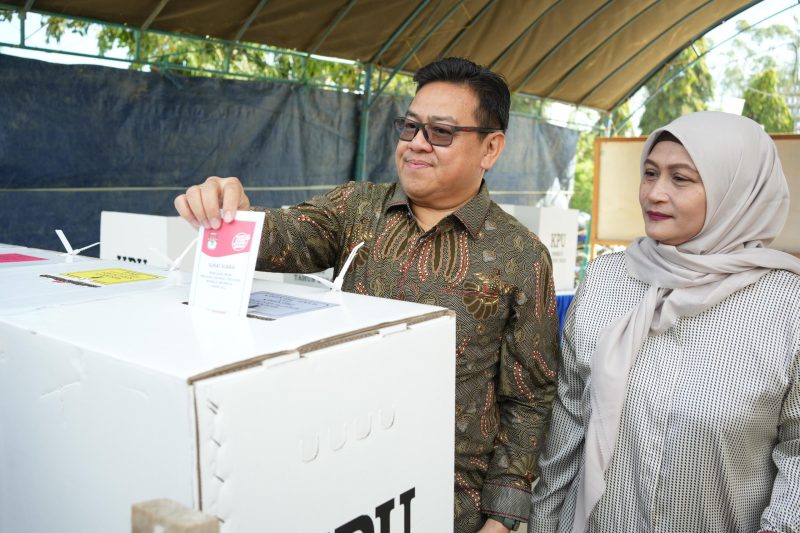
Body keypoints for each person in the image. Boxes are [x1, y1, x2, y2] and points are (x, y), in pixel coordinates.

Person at [175, 57, 560, 533]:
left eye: (441, 132)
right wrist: (234, 209)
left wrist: (501, 519)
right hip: (341, 480)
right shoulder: (354, 208)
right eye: (410, 127)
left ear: (490, 148)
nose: (417, 143)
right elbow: (285, 237)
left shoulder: (521, 256)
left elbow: (529, 398)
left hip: (449, 502)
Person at [527, 111, 800, 533]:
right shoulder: (607, 279)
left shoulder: (785, 306)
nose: (654, 193)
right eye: (650, 173)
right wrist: (544, 522)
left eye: (681, 179)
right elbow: (570, 414)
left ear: (736, 190)